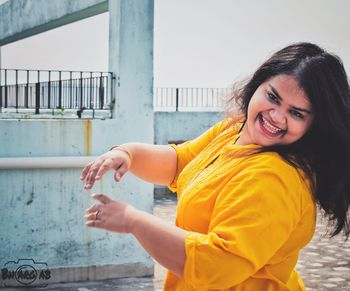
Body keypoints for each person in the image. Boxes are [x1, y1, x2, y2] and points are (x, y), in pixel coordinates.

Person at [80, 42, 350, 290]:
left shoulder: (274, 177)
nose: (277, 117)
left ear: (313, 124)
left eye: (296, 113)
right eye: (273, 97)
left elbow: (217, 265)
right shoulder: (234, 131)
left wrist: (133, 221)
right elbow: (180, 163)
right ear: (258, 83)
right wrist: (127, 154)